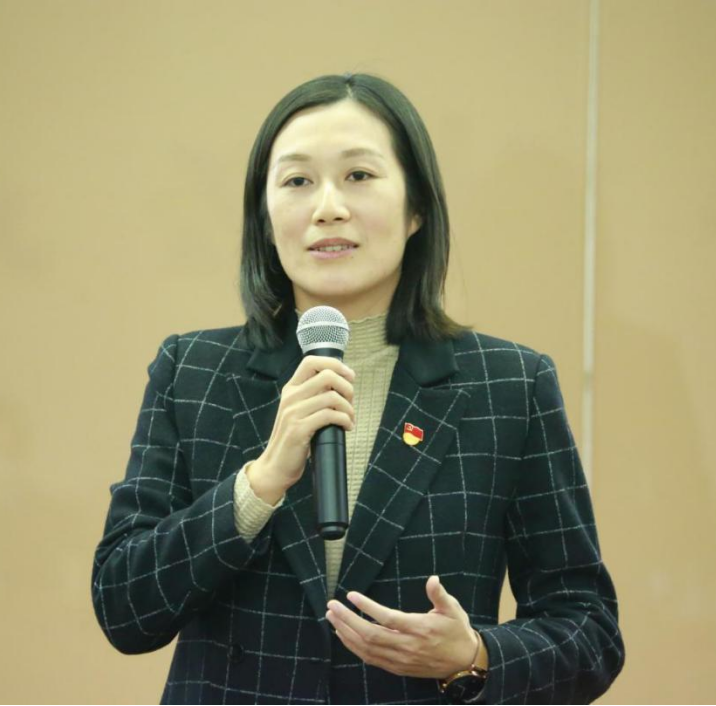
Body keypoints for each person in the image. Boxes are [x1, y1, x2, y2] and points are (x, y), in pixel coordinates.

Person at [91, 72, 624, 705]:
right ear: (265, 218)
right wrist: (257, 485)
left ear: (417, 208)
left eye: (358, 175)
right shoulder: (193, 371)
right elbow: (124, 606)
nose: (328, 208)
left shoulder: (508, 385)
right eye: (297, 181)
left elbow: (589, 629)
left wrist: (475, 656)